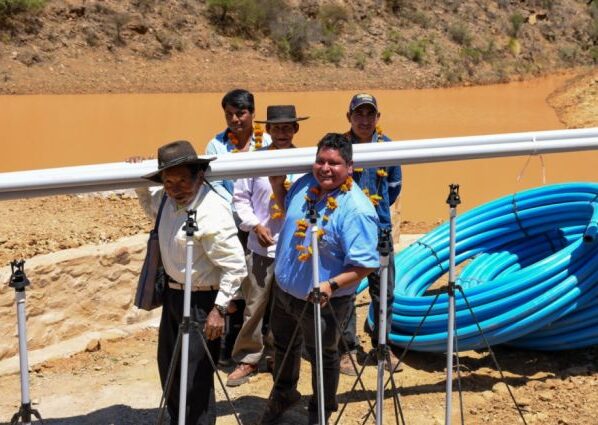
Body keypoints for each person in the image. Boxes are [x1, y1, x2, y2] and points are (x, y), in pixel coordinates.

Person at [261, 133, 380, 424]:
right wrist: (277, 186)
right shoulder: (305, 184)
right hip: (284, 292)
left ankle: (320, 412)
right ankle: (284, 393)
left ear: (349, 167)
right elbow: (291, 214)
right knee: (283, 346)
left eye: (334, 163)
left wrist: (331, 285)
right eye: (320, 161)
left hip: (323, 301)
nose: (325, 168)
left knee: (322, 356)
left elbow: (366, 264)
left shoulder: (357, 209)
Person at [135, 140, 247, 425]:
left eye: (183, 180)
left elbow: (235, 266)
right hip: (174, 296)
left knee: (195, 376)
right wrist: (138, 177)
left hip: (202, 302)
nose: (176, 188)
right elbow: (151, 208)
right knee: (170, 368)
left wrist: (218, 309)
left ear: (198, 177)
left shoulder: (212, 211)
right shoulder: (167, 201)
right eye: (169, 182)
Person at [227, 105, 309, 387]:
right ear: (269, 130)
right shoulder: (255, 161)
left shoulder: (306, 162)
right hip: (261, 247)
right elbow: (240, 199)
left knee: (286, 308)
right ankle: (248, 357)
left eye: (287, 127)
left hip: (293, 250)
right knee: (255, 304)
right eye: (277, 128)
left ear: (295, 129)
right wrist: (255, 225)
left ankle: (278, 356)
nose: (282, 133)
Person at [205, 88, 271, 366]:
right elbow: (214, 185)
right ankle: (228, 347)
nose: (235, 120)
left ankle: (263, 348)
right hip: (229, 224)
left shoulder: (268, 141)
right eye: (229, 114)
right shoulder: (215, 145)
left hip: (262, 225)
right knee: (231, 286)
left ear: (252, 113)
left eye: (240, 113)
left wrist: (254, 219)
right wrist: (237, 212)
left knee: (259, 286)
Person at [338, 93, 403, 375]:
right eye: (358, 114)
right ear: (349, 117)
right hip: (347, 231)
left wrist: (378, 213)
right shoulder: (339, 147)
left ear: (377, 117)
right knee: (347, 290)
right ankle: (347, 349)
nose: (364, 120)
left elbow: (394, 186)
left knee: (384, 290)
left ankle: (383, 347)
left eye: (369, 114)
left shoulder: (387, 147)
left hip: (380, 230)